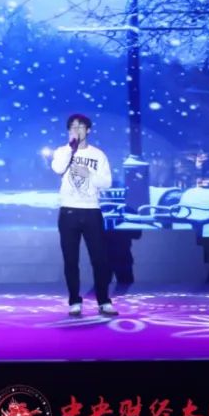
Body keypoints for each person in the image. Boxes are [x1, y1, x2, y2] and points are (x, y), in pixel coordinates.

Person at [50, 113, 118, 317]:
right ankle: (74, 301)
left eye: (80, 127)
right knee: (71, 260)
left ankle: (103, 301)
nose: (76, 130)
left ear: (88, 130)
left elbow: (106, 183)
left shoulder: (98, 154)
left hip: (91, 211)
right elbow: (58, 168)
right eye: (72, 127)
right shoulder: (62, 151)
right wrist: (70, 149)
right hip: (68, 211)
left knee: (100, 259)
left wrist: (89, 174)